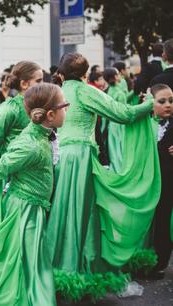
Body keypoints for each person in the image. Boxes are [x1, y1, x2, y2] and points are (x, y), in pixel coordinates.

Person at [46, 53, 159, 301]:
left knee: (62, 214)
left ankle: (57, 271)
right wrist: (150, 104)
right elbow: (123, 114)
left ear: (62, 74)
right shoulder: (87, 91)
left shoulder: (56, 90)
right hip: (81, 159)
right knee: (85, 215)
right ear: (85, 74)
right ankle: (80, 269)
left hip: (59, 158)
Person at [0, 83, 66, 306]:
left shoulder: (41, 136)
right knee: (25, 260)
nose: (67, 111)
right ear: (51, 114)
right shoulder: (30, 144)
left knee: (32, 259)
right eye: (65, 106)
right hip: (24, 210)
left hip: (34, 206)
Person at [0, 61, 43, 163]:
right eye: (38, 81)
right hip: (14, 168)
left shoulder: (40, 105)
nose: (43, 84)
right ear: (24, 84)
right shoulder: (10, 107)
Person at [149, 84, 173, 279]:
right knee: (151, 220)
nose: (168, 105)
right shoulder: (145, 124)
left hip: (168, 181)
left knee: (164, 220)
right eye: (162, 101)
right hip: (149, 181)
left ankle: (161, 261)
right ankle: (148, 259)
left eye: (171, 101)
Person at [103, 67, 128, 172]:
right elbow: (124, 112)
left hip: (110, 124)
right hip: (119, 124)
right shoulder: (120, 93)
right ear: (115, 77)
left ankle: (114, 171)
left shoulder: (106, 92)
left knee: (113, 150)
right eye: (118, 74)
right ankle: (121, 171)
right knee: (120, 149)